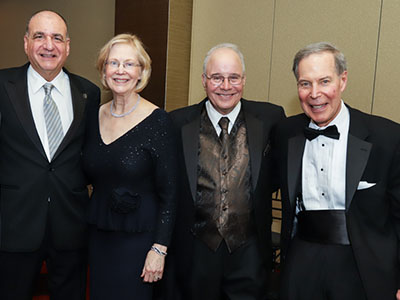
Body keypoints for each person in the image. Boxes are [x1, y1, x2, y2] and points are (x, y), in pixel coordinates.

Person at [274, 42, 400, 300]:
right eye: (305, 83)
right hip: (300, 261)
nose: (314, 93)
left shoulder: (387, 137)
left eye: (324, 81)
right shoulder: (285, 133)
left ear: (343, 81)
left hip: (363, 265)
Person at [168, 43, 285, 300]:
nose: (226, 86)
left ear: (243, 79)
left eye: (233, 77)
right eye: (217, 78)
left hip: (250, 251)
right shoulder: (177, 123)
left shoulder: (271, 118)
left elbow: (279, 175)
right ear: (204, 80)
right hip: (196, 250)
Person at [0, 10, 100, 300]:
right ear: (26, 43)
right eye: (39, 36)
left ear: (67, 46)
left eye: (57, 38)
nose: (49, 45)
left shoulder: (88, 93)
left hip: (70, 226)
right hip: (14, 226)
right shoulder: (3, 86)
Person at [82, 33, 177, 300]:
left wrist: (159, 249)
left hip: (140, 242)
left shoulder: (159, 122)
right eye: (113, 63)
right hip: (99, 237)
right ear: (104, 70)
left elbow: (170, 194)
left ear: (141, 72)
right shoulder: (94, 115)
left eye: (129, 64)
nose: (120, 70)